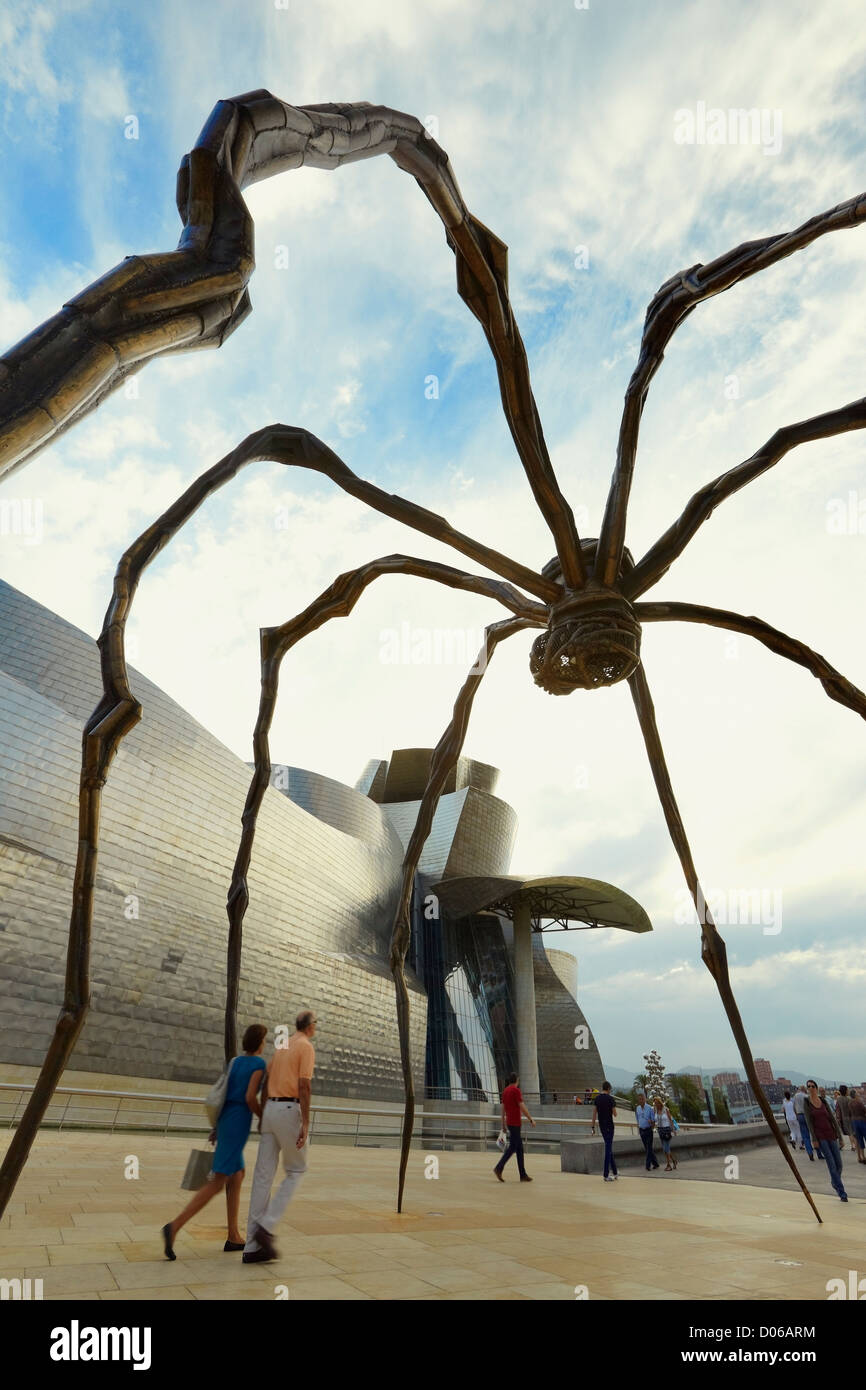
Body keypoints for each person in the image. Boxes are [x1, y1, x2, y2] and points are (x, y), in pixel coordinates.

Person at [162, 1022, 267, 1259]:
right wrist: (263, 1117)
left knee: (237, 1175)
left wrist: (217, 1127)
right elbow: (250, 1097)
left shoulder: (235, 1062)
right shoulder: (259, 1064)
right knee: (217, 1182)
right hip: (238, 1122)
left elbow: (223, 1094)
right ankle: (174, 1227)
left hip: (226, 1120)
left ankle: (233, 1236)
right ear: (260, 1043)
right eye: (264, 1040)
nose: (264, 1044)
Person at [243, 1008, 317, 1263]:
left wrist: (264, 1115)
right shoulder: (306, 1047)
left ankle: (251, 1247)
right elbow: (304, 1086)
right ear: (310, 1026)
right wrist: (305, 1122)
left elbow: (266, 1082)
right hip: (288, 1110)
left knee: (262, 1177)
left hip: (271, 1110)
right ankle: (266, 1228)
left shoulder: (282, 1045)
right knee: (296, 1170)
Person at [803, 1078, 848, 1202]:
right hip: (820, 1137)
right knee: (831, 1164)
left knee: (839, 1164)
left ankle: (834, 1182)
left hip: (831, 1134)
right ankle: (842, 1192)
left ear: (816, 1088)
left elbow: (832, 1119)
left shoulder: (823, 1101)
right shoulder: (807, 1103)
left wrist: (840, 1136)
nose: (810, 1088)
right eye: (808, 1086)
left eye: (812, 1086)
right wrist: (814, 1139)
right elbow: (809, 1122)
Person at [494, 1072, 535, 1182]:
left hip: (509, 1122)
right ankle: (499, 1167)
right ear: (517, 1080)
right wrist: (531, 1119)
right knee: (512, 1147)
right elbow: (522, 1106)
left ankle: (523, 1174)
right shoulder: (516, 1091)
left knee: (519, 1148)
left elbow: (503, 1109)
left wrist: (503, 1124)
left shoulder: (505, 1091)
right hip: (516, 1123)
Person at [591, 1081, 618, 1181]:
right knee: (608, 1148)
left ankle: (615, 1172)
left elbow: (594, 1114)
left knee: (608, 1147)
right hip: (609, 1126)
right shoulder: (611, 1099)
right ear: (609, 1088)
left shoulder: (597, 1099)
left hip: (602, 1126)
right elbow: (615, 1114)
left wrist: (592, 1126)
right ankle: (606, 1174)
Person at [635, 1092, 659, 1171]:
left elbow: (653, 1121)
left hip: (648, 1130)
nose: (641, 1100)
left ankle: (647, 1165)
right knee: (647, 1148)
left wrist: (651, 1124)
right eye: (640, 1099)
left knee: (649, 1148)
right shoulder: (637, 1108)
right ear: (638, 1100)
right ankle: (655, 1163)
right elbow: (637, 1119)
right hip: (641, 1130)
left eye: (642, 1099)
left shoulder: (649, 1108)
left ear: (645, 1099)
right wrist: (639, 1127)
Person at [653, 1095, 678, 1171]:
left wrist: (673, 1130)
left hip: (666, 1130)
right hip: (660, 1130)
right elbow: (655, 1121)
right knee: (665, 1149)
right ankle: (674, 1161)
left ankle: (668, 1165)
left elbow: (670, 1119)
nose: (656, 1104)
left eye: (657, 1103)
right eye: (655, 1103)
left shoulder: (665, 1109)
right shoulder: (656, 1111)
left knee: (666, 1148)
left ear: (660, 1102)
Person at [792, 1085, 814, 1159]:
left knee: (805, 1135)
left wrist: (797, 1115)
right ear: (805, 1090)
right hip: (807, 1115)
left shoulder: (796, 1096)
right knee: (812, 1132)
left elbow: (794, 1107)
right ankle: (817, 1149)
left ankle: (809, 1151)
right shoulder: (807, 1096)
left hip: (800, 1116)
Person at [835, 1086, 856, 1154]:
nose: (848, 1091)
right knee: (852, 1132)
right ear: (845, 1091)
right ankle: (854, 1145)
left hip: (844, 1118)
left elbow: (837, 1110)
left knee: (849, 1133)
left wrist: (838, 1118)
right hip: (851, 1117)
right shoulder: (849, 1099)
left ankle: (853, 1145)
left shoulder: (838, 1099)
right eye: (847, 1090)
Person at [848, 1088, 866, 1163]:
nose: (858, 1094)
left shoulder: (849, 1103)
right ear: (855, 1095)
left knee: (859, 1140)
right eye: (857, 1093)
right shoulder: (859, 1102)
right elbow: (864, 1111)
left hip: (854, 1122)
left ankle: (862, 1157)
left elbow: (850, 1113)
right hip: (862, 1122)